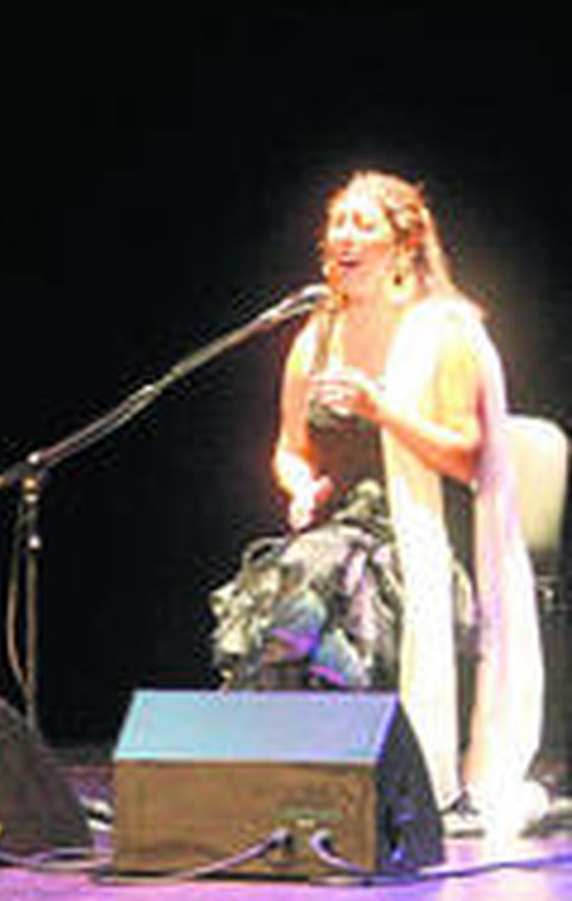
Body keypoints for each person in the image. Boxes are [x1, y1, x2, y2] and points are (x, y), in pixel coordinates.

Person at [211, 171, 544, 835]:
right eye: (337, 223)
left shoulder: (444, 331)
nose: (344, 235)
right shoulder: (318, 333)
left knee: (311, 589)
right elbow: (290, 447)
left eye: (363, 224)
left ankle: (355, 779)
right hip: (338, 532)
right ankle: (289, 780)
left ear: (405, 244)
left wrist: (381, 409)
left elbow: (471, 458)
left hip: (422, 539)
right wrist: (299, 484)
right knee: (294, 586)